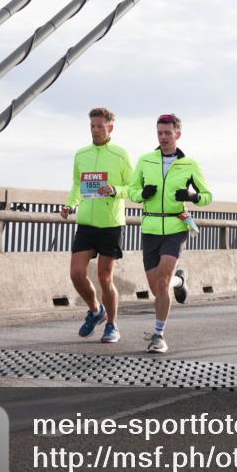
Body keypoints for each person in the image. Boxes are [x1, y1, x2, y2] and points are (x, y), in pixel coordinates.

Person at [128, 113, 211, 353]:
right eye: (160, 133)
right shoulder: (145, 160)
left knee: (162, 282)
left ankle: (158, 336)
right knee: (157, 289)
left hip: (176, 227)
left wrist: (193, 196)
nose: (163, 137)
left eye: (168, 133)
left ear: (178, 134)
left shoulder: (190, 164)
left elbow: (207, 196)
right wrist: (142, 194)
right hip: (151, 227)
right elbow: (132, 190)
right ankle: (180, 280)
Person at [61, 107, 134, 343]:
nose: (95, 130)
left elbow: (134, 189)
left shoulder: (121, 155)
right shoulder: (81, 155)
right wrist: (70, 205)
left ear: (110, 127)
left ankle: (112, 325)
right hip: (86, 223)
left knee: (105, 278)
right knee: (76, 273)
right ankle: (95, 310)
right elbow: (76, 186)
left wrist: (115, 190)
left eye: (99, 126)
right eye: (92, 126)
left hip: (110, 224)